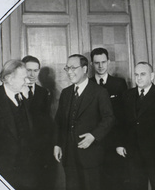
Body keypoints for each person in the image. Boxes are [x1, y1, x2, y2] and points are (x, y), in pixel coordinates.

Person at [53, 54, 115, 190]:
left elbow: (109, 118)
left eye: (73, 68)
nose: (69, 72)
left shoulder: (99, 92)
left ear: (85, 69)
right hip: (69, 156)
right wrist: (58, 144)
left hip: (91, 155)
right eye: (67, 68)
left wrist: (94, 136)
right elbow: (59, 121)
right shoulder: (66, 93)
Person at [117, 62, 155, 190]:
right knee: (136, 185)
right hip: (133, 151)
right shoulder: (127, 95)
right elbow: (121, 122)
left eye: (143, 74)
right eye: (136, 74)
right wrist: (120, 143)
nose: (139, 78)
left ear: (152, 76)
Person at [0, 59, 37, 189]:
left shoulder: (25, 96)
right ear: (9, 79)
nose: (28, 81)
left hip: (28, 169)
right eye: (24, 78)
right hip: (4, 170)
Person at [89, 47, 128, 190]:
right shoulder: (88, 84)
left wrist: (121, 142)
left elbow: (124, 115)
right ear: (92, 64)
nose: (100, 66)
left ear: (109, 62)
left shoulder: (119, 83)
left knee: (116, 180)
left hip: (114, 141)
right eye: (97, 63)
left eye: (103, 62)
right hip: (95, 141)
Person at [21, 55, 56, 189]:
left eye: (36, 71)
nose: (32, 74)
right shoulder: (16, 91)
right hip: (23, 147)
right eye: (28, 70)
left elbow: (46, 120)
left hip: (41, 147)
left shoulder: (44, 93)